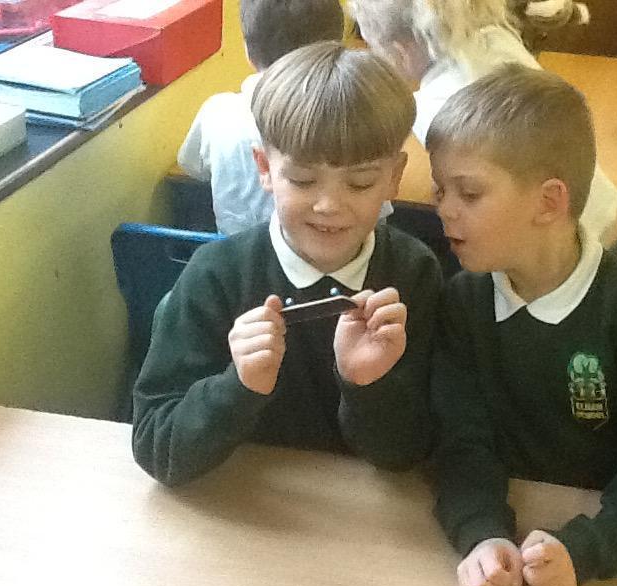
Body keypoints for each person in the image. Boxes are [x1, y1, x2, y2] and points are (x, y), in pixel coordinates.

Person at [426, 65, 617, 586]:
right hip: (507, 551)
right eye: (441, 189)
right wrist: (481, 532)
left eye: (469, 192)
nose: (443, 208)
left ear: (548, 202)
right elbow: (461, 440)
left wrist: (590, 549)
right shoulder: (462, 303)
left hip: (603, 563)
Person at [134, 42, 442, 486]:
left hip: (359, 511)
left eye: (360, 183)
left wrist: (366, 385)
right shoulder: (215, 276)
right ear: (264, 167)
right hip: (242, 504)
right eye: (302, 179)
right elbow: (156, 448)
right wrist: (238, 387)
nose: (329, 205)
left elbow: (411, 455)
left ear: (394, 177)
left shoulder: (414, 273)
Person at [348, 0, 617, 248]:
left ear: (401, 51)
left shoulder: (434, 105)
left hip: (566, 252)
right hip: (609, 219)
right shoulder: (496, 39)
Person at [176, 0, 344, 236]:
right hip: (328, 250)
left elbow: (190, 166)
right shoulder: (349, 116)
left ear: (248, 51)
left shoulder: (218, 112)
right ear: (338, 48)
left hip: (234, 252)